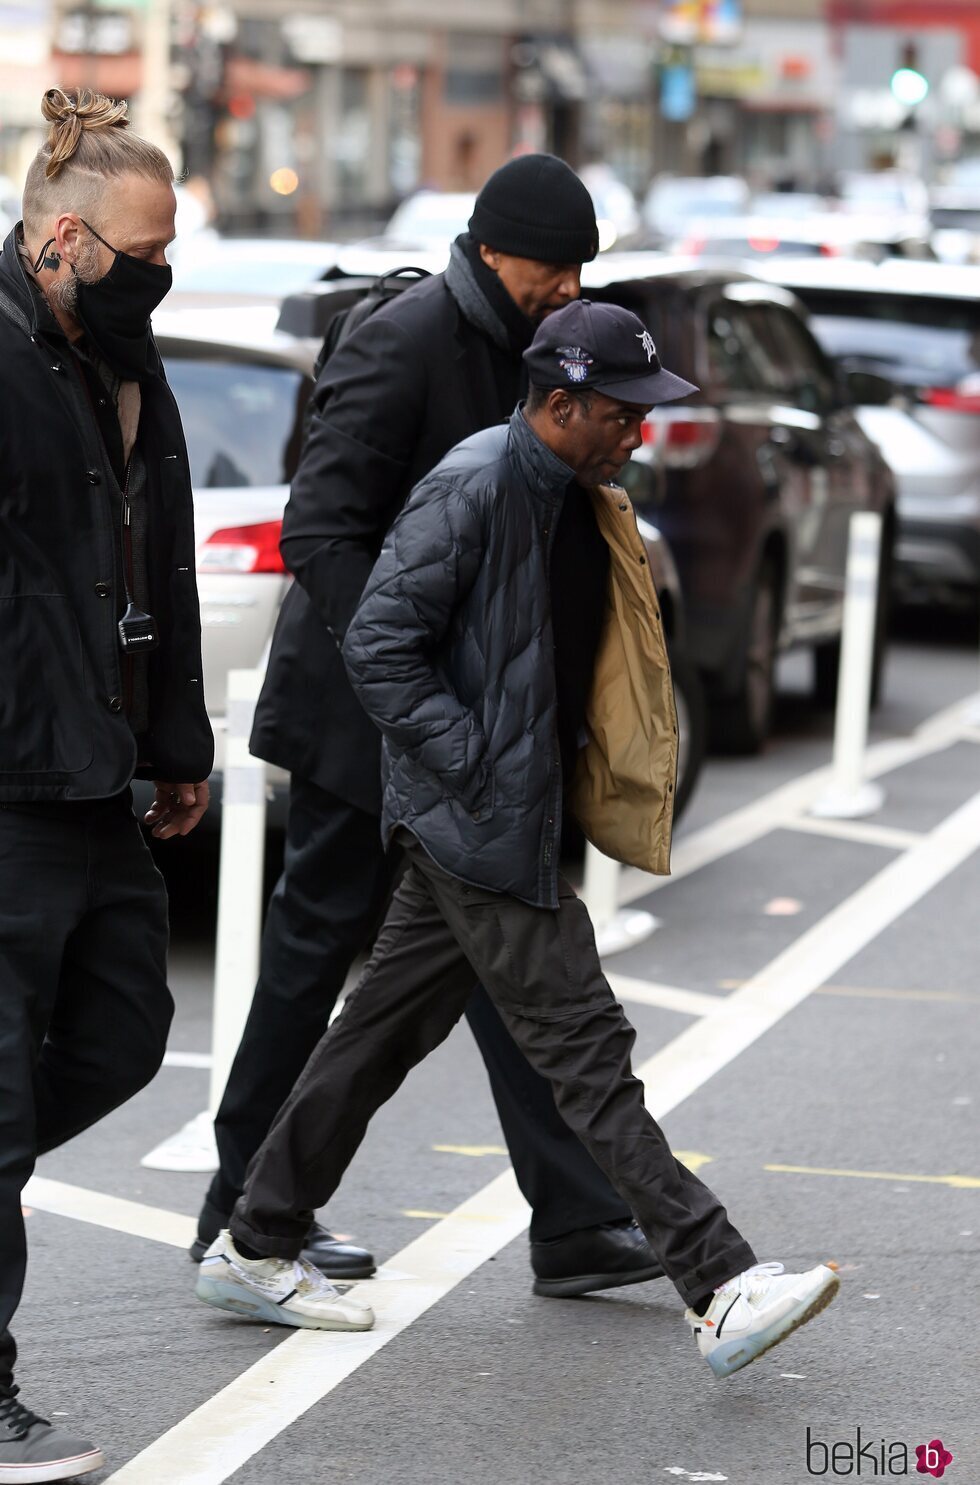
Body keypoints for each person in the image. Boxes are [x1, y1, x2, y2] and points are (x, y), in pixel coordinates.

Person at [196, 301, 840, 1377]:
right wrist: (476, 764)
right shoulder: (476, 486)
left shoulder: (567, 492)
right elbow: (381, 643)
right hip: (480, 822)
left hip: (499, 813)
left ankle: (256, 1237)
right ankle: (719, 1282)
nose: (637, 431)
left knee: (375, 1037)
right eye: (622, 412)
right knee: (586, 1050)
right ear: (559, 404)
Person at [191, 154, 662, 1300]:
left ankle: (573, 1218)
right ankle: (240, 1210)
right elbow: (320, 533)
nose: (569, 286)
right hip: (370, 720)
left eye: (581, 268)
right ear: (495, 249)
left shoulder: (537, 347)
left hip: (489, 721)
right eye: (555, 265)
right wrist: (412, 685)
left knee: (503, 952)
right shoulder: (401, 339)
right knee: (316, 958)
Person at [0, 88, 213, 1480]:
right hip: (7, 784)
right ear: (61, 235)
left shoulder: (126, 360)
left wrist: (177, 742)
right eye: (143, 256)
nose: (159, 278)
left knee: (127, 1028)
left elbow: (165, 565)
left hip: (103, 780)